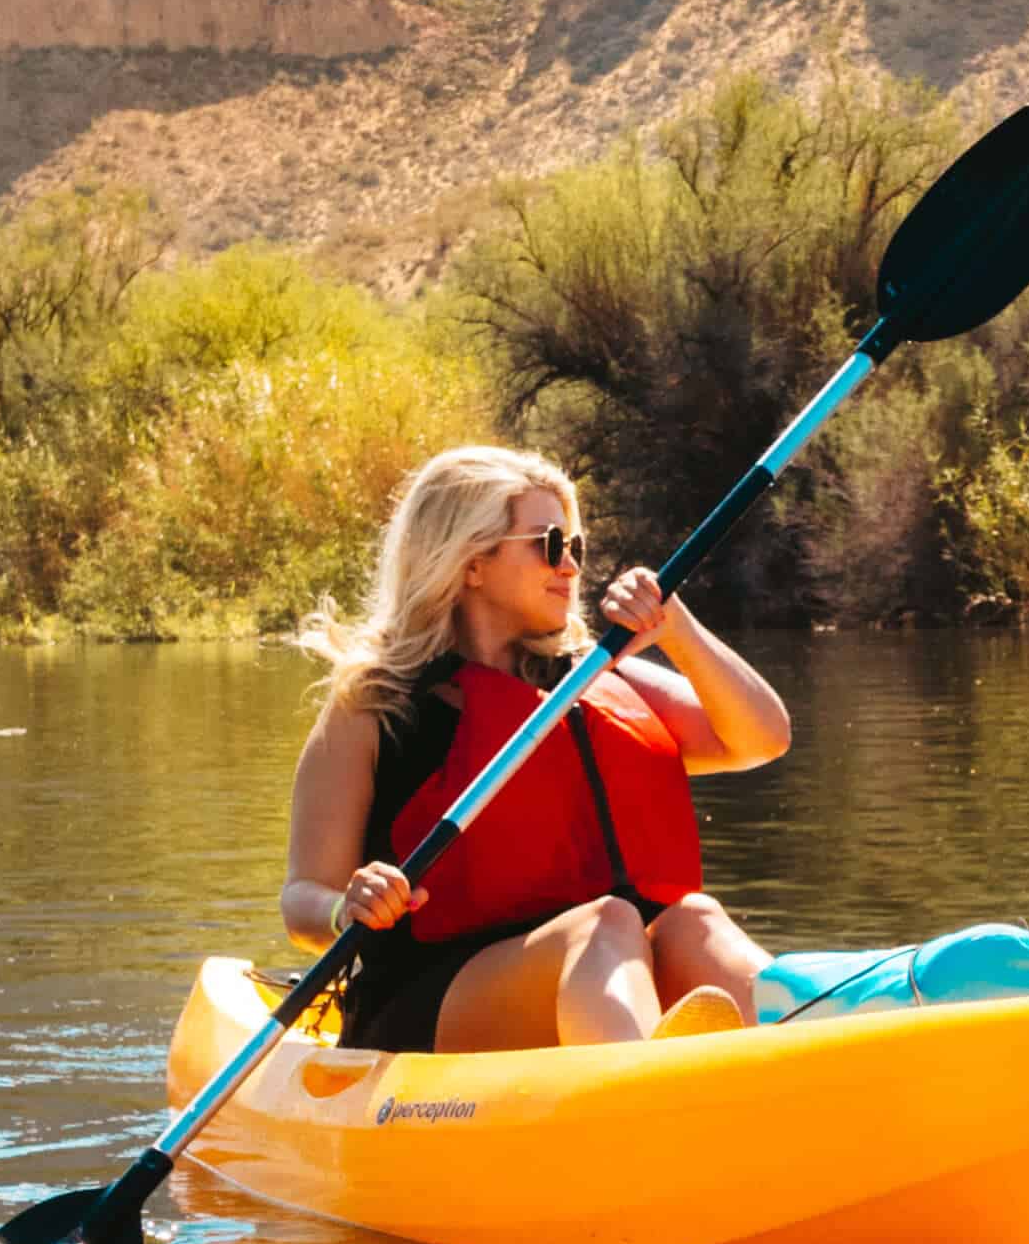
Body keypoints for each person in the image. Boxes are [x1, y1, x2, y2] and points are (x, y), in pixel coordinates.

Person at [284, 442, 788, 1050]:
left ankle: (818, 1049)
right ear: (469, 562)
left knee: (690, 921)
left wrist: (675, 628)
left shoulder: (592, 679)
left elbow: (762, 738)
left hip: (598, 968)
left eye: (576, 548)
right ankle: (649, 1094)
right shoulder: (372, 708)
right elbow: (301, 900)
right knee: (607, 922)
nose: (571, 567)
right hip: (430, 1002)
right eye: (551, 546)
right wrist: (348, 907)